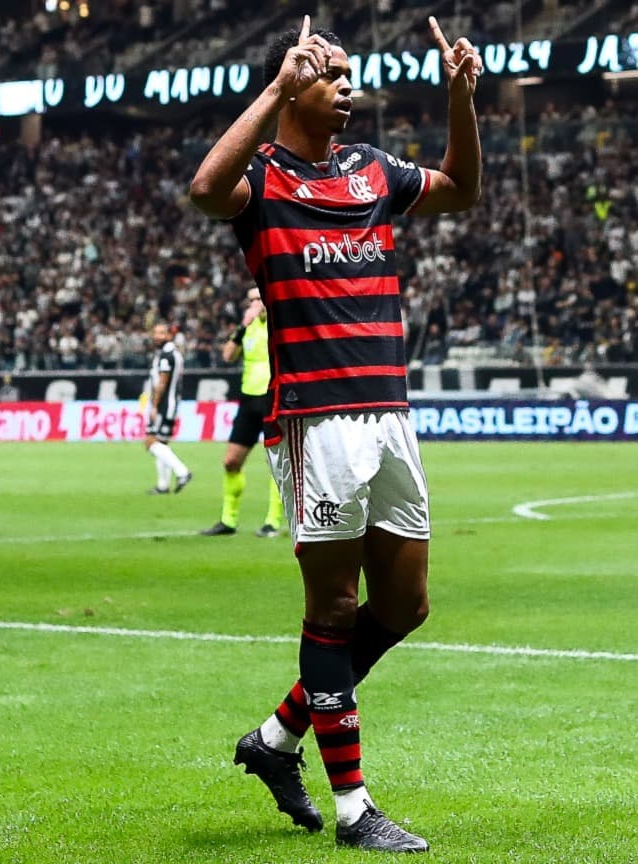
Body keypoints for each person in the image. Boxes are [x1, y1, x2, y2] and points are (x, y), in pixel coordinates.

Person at [187, 16, 482, 852]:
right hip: (315, 422)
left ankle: (276, 740)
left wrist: (461, 99)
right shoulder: (262, 183)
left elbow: (460, 189)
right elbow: (206, 190)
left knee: (406, 604)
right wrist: (274, 86)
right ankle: (353, 808)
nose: (347, 86)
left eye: (351, 74)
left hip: (387, 411)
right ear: (292, 86)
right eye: (331, 74)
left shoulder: (374, 172)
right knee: (334, 606)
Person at [200, 288, 284, 538]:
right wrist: (243, 325)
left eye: (259, 299)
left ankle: (273, 521)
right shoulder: (246, 328)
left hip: (274, 398)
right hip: (249, 399)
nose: (255, 304)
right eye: (251, 300)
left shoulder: (279, 326)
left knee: (277, 464)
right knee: (231, 461)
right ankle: (228, 520)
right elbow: (228, 355)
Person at [144, 322, 192, 495]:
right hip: (171, 404)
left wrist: (154, 406)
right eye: (155, 332)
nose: (157, 336)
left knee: (150, 442)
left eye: (162, 333)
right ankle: (163, 485)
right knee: (162, 443)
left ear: (169, 335)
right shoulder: (175, 354)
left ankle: (182, 472)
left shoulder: (166, 356)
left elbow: (162, 382)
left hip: (164, 405)